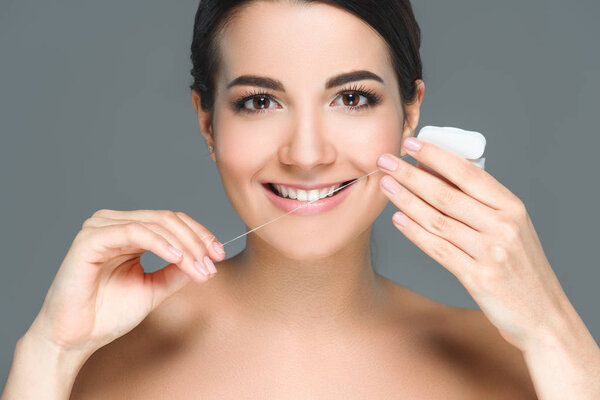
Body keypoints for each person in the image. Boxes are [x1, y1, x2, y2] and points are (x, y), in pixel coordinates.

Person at [3, 1, 599, 399]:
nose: (307, 154)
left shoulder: (519, 366)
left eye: (353, 98)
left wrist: (555, 331)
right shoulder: (92, 364)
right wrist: (48, 353)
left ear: (409, 113)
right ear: (207, 122)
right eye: (260, 102)